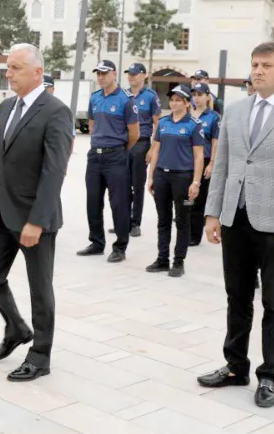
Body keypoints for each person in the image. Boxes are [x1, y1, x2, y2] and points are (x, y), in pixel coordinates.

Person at [198, 41, 274, 409]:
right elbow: (222, 165)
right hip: (236, 219)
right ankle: (235, 366)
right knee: (237, 297)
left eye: (266, 65)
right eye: (254, 64)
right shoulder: (235, 111)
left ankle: (269, 375)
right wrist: (213, 213)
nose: (258, 71)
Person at [0, 43, 72, 382]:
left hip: (34, 218)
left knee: (39, 289)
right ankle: (17, 327)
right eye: (8, 67)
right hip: (1, 213)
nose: (9, 74)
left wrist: (37, 221)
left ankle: (40, 356)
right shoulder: (6, 107)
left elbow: (54, 171)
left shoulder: (56, 112)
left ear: (37, 72)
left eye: (15, 68)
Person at [77, 59, 139, 262]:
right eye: (98, 73)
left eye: (104, 73)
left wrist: (118, 149)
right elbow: (92, 125)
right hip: (95, 156)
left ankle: (120, 246)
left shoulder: (125, 100)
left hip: (116, 156)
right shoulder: (95, 97)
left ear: (114, 74)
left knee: (119, 203)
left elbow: (134, 134)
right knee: (93, 201)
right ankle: (96, 242)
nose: (101, 77)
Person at [146, 85, 203, 277]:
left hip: (183, 179)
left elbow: (198, 156)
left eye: (179, 100)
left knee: (182, 220)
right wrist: (151, 176)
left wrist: (196, 182)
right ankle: (162, 259)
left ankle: (178, 261)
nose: (174, 103)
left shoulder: (194, 125)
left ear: (187, 103)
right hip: (162, 176)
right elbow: (156, 151)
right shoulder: (163, 123)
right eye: (172, 100)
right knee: (163, 220)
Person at [125, 63, 162, 237]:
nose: (130, 77)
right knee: (122, 184)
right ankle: (123, 220)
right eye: (129, 74)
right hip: (124, 145)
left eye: (134, 74)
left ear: (143, 76)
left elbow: (158, 125)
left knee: (137, 185)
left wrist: (152, 149)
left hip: (141, 145)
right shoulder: (123, 95)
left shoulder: (150, 97)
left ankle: (135, 222)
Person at [189, 83, 220, 246]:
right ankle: (185, 231)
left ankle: (194, 235)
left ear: (207, 97)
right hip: (186, 161)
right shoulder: (187, 114)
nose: (196, 98)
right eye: (194, 94)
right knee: (186, 198)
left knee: (199, 199)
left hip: (205, 160)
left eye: (200, 94)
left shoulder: (213, 117)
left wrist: (212, 163)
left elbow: (216, 141)